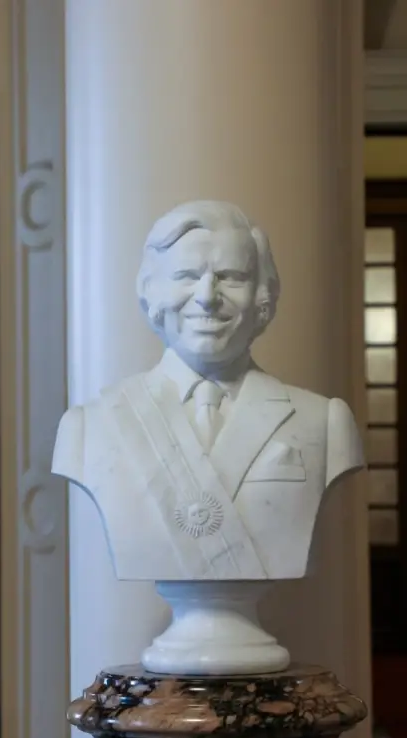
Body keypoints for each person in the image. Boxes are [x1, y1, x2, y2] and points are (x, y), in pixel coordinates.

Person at [51, 200, 364, 582]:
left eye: (231, 277)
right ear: (151, 292)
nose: (206, 297)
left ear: (261, 296)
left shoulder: (325, 422)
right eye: (185, 275)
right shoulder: (88, 428)